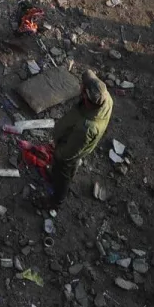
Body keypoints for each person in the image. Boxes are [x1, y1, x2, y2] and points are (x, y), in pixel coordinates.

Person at [46, 70, 113, 205]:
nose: (81, 86)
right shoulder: (105, 98)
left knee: (63, 171)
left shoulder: (86, 128)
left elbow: (68, 153)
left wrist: (57, 152)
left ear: (86, 98)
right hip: (76, 140)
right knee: (68, 166)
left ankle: (56, 199)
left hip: (68, 149)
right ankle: (60, 176)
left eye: (83, 88)